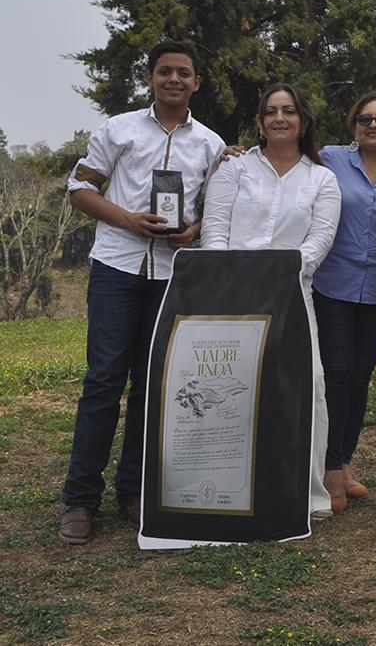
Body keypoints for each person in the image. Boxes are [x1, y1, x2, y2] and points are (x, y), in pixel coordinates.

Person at [60, 40, 225, 545]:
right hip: (117, 267)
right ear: (150, 78)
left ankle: (134, 491)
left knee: (152, 385)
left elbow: (219, 207)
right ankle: (80, 499)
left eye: (184, 73)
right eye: (164, 71)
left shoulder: (210, 144)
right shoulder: (118, 129)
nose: (174, 79)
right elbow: (79, 189)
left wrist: (192, 231)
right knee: (103, 381)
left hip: (172, 274)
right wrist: (128, 219)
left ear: (197, 82)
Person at [201, 83, 341, 517]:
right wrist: (229, 278)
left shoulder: (322, 179)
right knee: (231, 389)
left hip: (292, 296)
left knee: (307, 388)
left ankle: (307, 494)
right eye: (271, 111)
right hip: (232, 297)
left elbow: (319, 240)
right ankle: (229, 488)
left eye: (289, 111)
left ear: (304, 121)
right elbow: (215, 229)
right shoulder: (235, 169)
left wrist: (281, 275)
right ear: (260, 122)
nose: (280, 118)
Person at [312, 92, 376, 512]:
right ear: (353, 124)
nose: (373, 125)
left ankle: (344, 462)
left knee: (359, 377)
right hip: (331, 284)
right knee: (337, 374)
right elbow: (281, 164)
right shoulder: (329, 159)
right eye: (365, 118)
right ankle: (329, 469)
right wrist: (235, 154)